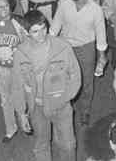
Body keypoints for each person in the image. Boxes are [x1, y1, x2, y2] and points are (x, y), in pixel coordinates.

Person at [14, 9, 81, 161]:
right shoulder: (20, 53)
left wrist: (65, 98)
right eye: (35, 31)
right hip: (37, 107)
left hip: (61, 105)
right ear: (26, 32)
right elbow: (17, 85)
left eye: (43, 28)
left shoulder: (62, 47)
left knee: (68, 145)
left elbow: (75, 76)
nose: (41, 34)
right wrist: (21, 113)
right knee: (41, 145)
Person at [50, 0, 108, 126]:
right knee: (63, 78)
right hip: (65, 46)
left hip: (86, 47)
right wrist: (48, 43)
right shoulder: (64, 3)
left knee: (86, 80)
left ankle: (85, 110)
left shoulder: (96, 10)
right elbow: (56, 25)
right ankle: (63, 106)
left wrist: (101, 57)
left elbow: (101, 35)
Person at [0, 0, 27, 141]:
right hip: (0, 68)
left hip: (17, 67)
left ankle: (24, 121)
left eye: (6, 5)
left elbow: (27, 43)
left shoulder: (18, 22)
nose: (3, 9)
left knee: (20, 96)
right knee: (5, 99)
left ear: (11, 7)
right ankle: (10, 128)